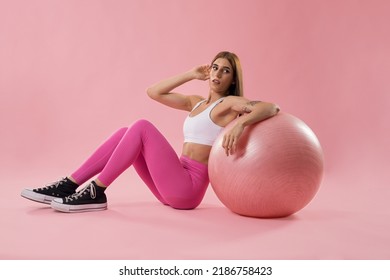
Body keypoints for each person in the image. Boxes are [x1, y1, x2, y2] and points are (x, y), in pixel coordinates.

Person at [21, 51, 280, 213]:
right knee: (126, 132)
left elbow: (271, 107)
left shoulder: (229, 104)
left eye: (226, 71)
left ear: (232, 79)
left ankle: (96, 191)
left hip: (188, 189)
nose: (218, 73)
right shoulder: (196, 102)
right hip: (172, 181)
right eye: (215, 67)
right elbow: (154, 92)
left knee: (141, 127)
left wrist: (243, 123)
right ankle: (69, 185)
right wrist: (190, 74)